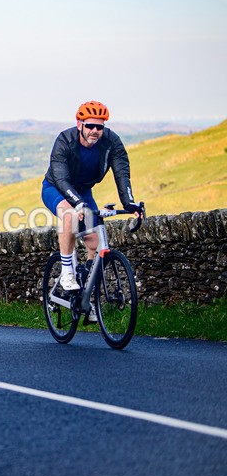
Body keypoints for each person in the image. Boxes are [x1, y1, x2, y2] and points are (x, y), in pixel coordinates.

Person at [41, 101, 144, 320]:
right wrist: (77, 204)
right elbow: (61, 178)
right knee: (69, 215)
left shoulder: (111, 142)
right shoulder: (64, 140)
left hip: (84, 192)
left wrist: (130, 204)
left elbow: (122, 173)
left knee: (95, 243)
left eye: (100, 127)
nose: (95, 131)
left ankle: (87, 300)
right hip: (57, 188)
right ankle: (67, 271)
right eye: (90, 126)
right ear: (79, 124)